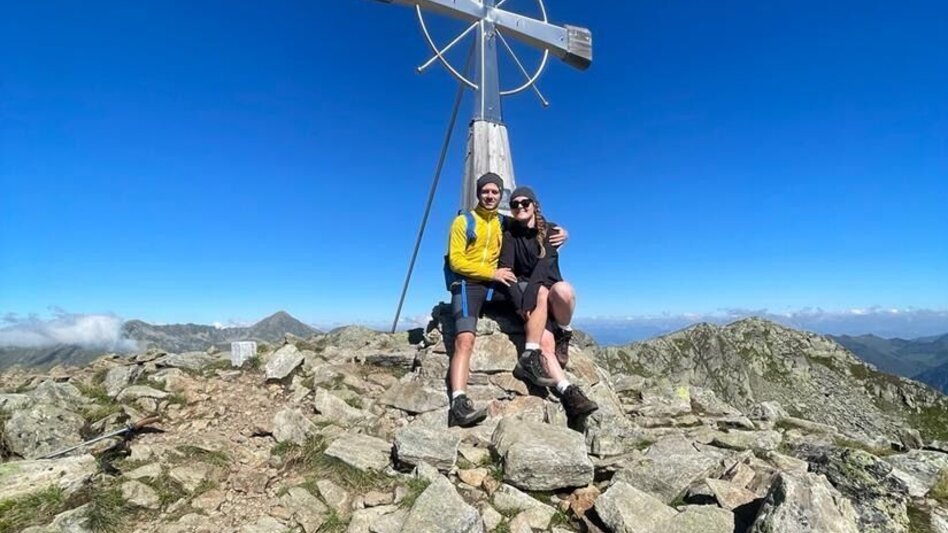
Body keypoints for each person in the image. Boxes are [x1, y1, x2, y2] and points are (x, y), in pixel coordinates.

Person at [445, 173, 568, 427]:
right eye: (485, 192)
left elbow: (536, 228)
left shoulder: (505, 222)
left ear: (500, 195)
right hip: (468, 284)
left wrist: (562, 233)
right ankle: (458, 402)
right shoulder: (463, 221)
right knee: (464, 340)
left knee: (538, 295)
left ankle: (531, 357)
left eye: (495, 192)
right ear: (478, 194)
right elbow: (456, 260)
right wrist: (491, 272)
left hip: (497, 284)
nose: (490, 196)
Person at [500, 186, 598, 421]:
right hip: (534, 299)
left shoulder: (552, 230)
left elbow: (544, 267)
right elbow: (507, 270)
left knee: (565, 290)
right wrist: (521, 299)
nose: (520, 207)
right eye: (515, 204)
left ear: (535, 205)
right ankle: (568, 392)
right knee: (545, 343)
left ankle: (564, 331)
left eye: (525, 203)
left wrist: (532, 293)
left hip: (549, 293)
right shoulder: (510, 235)